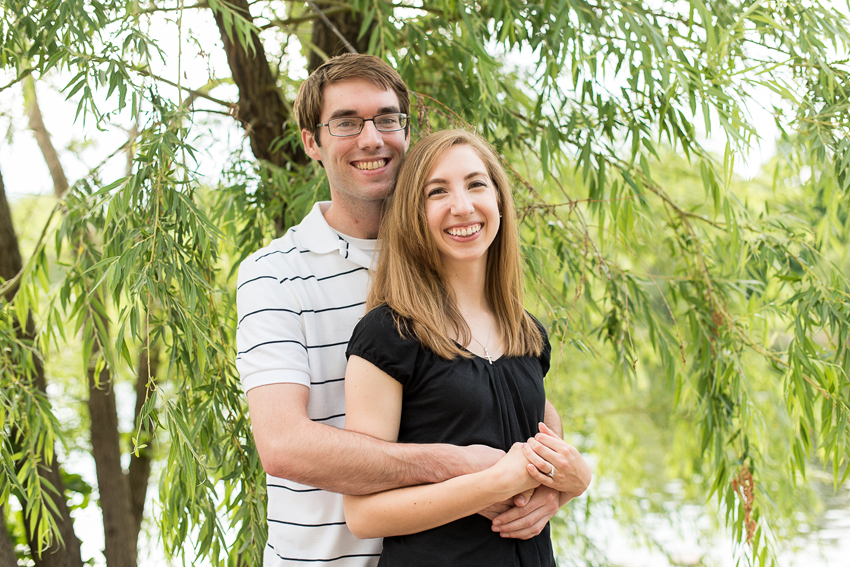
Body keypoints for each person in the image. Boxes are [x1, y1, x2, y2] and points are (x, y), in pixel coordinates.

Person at [236, 54, 587, 567]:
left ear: (406, 130)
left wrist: (559, 480)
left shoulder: (451, 251)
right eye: (346, 123)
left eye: (386, 118)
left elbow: (510, 391)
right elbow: (285, 445)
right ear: (312, 142)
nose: (371, 138)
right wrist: (462, 466)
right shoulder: (277, 275)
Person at [341, 129, 591, 566]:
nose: (462, 205)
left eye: (476, 184)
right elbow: (363, 515)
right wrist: (494, 483)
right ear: (414, 215)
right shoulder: (388, 333)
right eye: (437, 192)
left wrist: (570, 482)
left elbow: (542, 447)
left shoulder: (526, 334)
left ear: (498, 199)